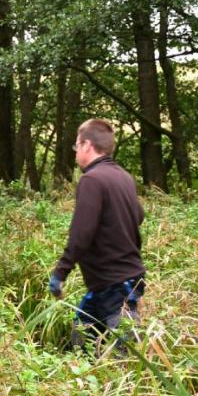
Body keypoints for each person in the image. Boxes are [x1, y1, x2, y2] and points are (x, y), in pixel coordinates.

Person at [49, 118, 146, 355]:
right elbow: (139, 215)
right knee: (83, 336)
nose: (75, 154)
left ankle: (128, 387)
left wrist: (61, 272)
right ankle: (89, 383)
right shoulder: (123, 177)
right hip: (124, 279)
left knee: (121, 353)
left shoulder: (91, 180)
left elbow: (82, 232)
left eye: (76, 146)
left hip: (114, 283)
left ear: (87, 145)